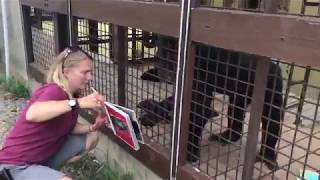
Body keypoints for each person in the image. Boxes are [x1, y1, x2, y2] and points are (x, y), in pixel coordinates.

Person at [0, 46, 108, 180]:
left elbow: (70, 127)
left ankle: (49, 171)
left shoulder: (69, 95)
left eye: (90, 72)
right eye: (85, 72)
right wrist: (79, 103)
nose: (89, 77)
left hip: (40, 161)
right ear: (67, 72)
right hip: (16, 166)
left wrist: (93, 126)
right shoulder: (54, 90)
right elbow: (32, 113)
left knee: (91, 136)